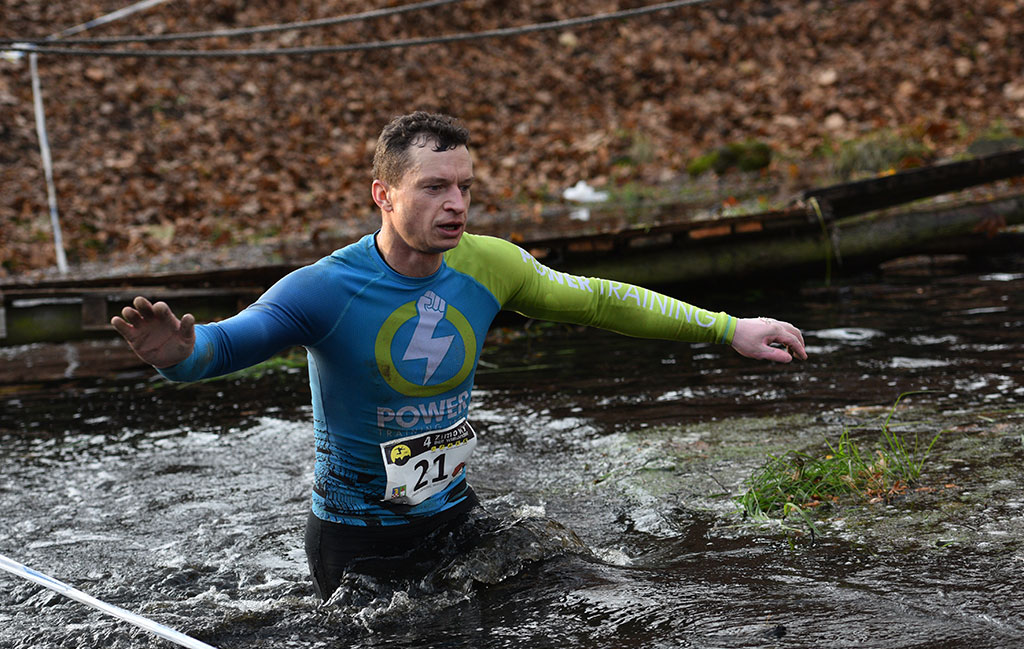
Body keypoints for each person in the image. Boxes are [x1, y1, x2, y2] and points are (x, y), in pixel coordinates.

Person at [111, 111, 807, 602]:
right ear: (384, 195)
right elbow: (227, 343)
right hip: (357, 544)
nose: (457, 204)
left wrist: (726, 327)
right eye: (435, 187)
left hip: (452, 518)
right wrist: (181, 354)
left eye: (465, 187)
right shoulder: (326, 289)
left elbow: (599, 300)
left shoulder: (490, 266)